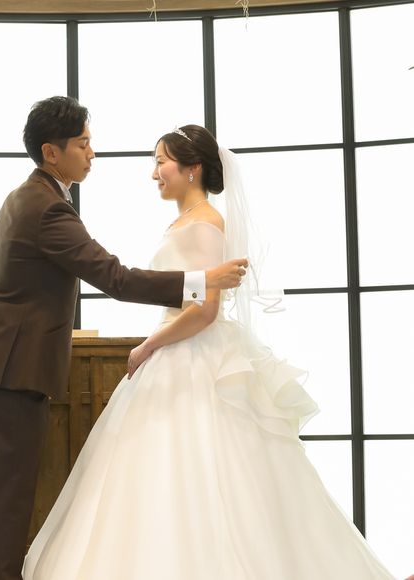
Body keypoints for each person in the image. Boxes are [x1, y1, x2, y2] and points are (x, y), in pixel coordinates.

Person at [22, 124, 399, 580]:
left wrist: (148, 345)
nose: (154, 173)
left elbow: (205, 310)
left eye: (161, 162)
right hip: (178, 353)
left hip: (193, 357)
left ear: (192, 168)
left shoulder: (204, 223)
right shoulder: (186, 221)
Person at [0, 99, 248, 580]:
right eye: (83, 144)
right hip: (12, 372)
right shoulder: (46, 208)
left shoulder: (33, 197)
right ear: (52, 152)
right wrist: (203, 280)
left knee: (2, 503)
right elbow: (114, 278)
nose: (92, 153)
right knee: (8, 507)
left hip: (2, 367)